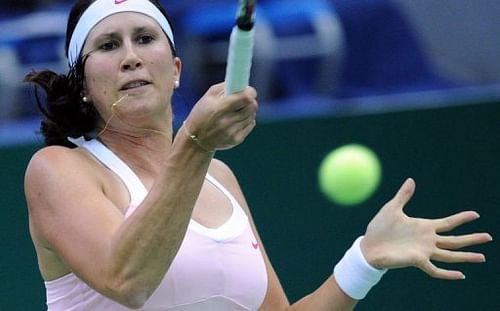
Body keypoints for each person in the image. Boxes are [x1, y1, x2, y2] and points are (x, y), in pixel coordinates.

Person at [24, 0, 492, 310]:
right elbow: (127, 280)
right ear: (82, 84)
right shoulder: (58, 169)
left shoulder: (219, 178)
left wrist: (365, 259)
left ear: (176, 70)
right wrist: (195, 144)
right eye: (108, 46)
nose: (130, 56)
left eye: (145, 39)